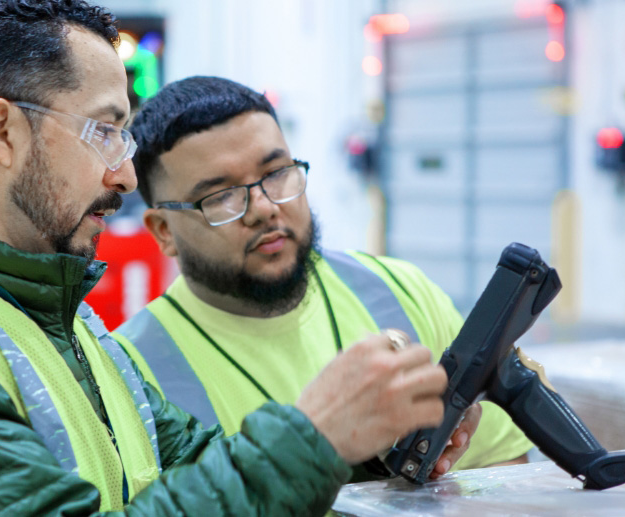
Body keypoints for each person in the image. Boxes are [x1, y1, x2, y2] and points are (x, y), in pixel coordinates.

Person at [0, 3, 474, 515]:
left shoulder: (61, 326)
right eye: (105, 131)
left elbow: (197, 471)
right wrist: (313, 436)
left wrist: (369, 442)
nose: (123, 172)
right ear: (2, 132)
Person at [112, 75, 532, 480]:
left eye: (276, 173)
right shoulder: (131, 371)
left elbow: (503, 465)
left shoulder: (401, 291)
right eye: (220, 196)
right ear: (163, 231)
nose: (263, 207)